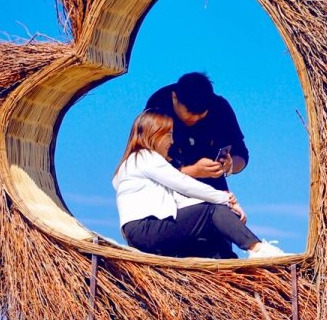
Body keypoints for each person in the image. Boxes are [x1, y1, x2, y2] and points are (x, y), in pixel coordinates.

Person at [113, 110, 284, 259]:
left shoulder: (141, 163)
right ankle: (258, 248)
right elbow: (183, 184)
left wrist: (224, 205)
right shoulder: (143, 157)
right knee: (212, 211)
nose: (172, 141)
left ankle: (229, 263)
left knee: (213, 221)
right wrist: (224, 199)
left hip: (149, 229)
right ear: (155, 134)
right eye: (169, 134)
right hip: (144, 229)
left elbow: (181, 202)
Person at [145, 72, 247, 193]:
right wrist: (193, 171)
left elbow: (241, 152)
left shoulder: (220, 108)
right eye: (190, 113)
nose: (194, 119)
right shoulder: (158, 105)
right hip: (166, 188)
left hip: (210, 185)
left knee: (229, 211)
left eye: (201, 115)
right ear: (174, 97)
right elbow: (148, 163)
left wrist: (229, 166)